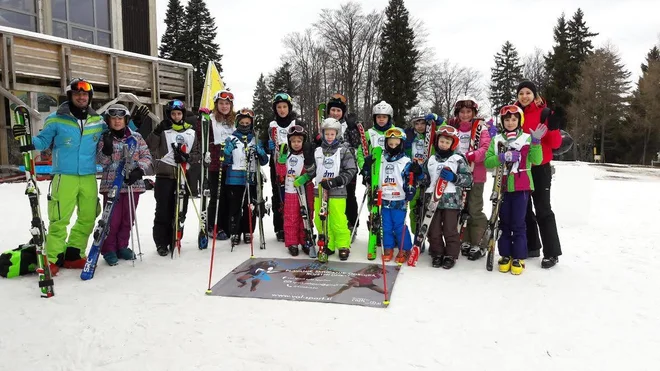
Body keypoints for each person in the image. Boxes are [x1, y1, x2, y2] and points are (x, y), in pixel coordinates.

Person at [12, 78, 105, 272]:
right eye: (77, 93)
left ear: (90, 97)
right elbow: (43, 141)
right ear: (70, 96)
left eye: (85, 94)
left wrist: (134, 123)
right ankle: (52, 258)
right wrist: (27, 138)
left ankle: (74, 254)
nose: (81, 97)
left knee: (88, 216)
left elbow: (118, 132)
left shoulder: (97, 121)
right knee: (60, 218)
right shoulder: (56, 118)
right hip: (65, 176)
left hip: (88, 176)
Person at [484, 105, 544, 275]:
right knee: (503, 222)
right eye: (507, 119)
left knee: (518, 223)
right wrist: (501, 157)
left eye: (514, 119)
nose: (510, 122)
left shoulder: (526, 138)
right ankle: (505, 254)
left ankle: (518, 256)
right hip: (501, 186)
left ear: (519, 120)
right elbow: (488, 162)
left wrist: (536, 142)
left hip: (521, 187)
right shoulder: (496, 140)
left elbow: (537, 160)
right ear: (502, 121)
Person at [515, 80, 564, 268]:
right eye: (521, 93)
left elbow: (556, 144)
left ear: (534, 95)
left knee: (543, 209)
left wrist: (552, 128)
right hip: (521, 167)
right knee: (524, 208)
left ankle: (551, 253)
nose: (524, 96)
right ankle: (532, 245)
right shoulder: (515, 114)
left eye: (528, 93)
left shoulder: (545, 113)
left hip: (540, 167)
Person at [96, 104, 153, 266]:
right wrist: (106, 150)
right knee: (112, 220)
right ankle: (109, 248)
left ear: (126, 120)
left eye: (120, 118)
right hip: (112, 184)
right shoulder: (104, 137)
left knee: (128, 218)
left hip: (132, 184)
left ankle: (122, 245)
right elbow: (101, 162)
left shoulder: (136, 137)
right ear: (108, 120)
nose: (117, 121)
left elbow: (146, 156)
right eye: (113, 118)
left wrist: (139, 171)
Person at [298, 118, 357, 261]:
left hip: (337, 192)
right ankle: (328, 244)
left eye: (332, 134)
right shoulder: (318, 151)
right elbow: (312, 172)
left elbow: (351, 169)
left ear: (337, 134)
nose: (329, 137)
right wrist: (308, 164)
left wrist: (337, 181)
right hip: (320, 191)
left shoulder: (343, 151)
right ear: (322, 134)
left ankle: (343, 245)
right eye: (327, 134)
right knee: (320, 219)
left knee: (338, 219)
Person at [146, 100, 200, 256]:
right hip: (165, 176)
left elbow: (197, 155)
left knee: (180, 211)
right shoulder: (163, 130)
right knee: (163, 211)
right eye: (173, 114)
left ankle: (175, 239)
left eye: (179, 114)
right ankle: (161, 243)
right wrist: (156, 131)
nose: (176, 117)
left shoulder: (191, 132)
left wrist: (187, 157)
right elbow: (149, 146)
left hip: (183, 177)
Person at [363, 127, 418, 264]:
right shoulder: (381, 159)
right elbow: (372, 175)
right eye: (390, 144)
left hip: (399, 198)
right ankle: (388, 247)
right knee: (385, 225)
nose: (393, 147)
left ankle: (404, 248)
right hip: (383, 197)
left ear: (402, 144)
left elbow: (411, 179)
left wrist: (412, 187)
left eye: (396, 144)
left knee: (399, 226)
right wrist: (367, 166)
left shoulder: (405, 161)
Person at [421, 126, 473, 269]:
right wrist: (420, 175)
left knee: (450, 229)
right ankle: (437, 253)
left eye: (447, 142)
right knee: (434, 230)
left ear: (453, 144)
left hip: (451, 201)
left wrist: (454, 177)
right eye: (441, 141)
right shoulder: (431, 159)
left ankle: (451, 254)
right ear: (437, 142)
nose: (443, 144)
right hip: (433, 200)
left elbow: (469, 180)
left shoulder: (458, 159)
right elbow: (425, 179)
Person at [447, 97, 491, 260]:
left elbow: (486, 148)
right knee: (460, 208)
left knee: (474, 208)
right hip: (457, 175)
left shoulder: (480, 127)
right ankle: (465, 239)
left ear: (473, 113)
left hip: (475, 174)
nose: (465, 115)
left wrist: (471, 156)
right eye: (462, 112)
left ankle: (479, 242)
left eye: (468, 112)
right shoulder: (453, 127)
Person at [223, 108, 269, 246]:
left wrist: (261, 153)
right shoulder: (231, 139)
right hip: (234, 179)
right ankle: (235, 231)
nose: (244, 125)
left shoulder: (255, 139)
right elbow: (225, 161)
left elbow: (264, 161)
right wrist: (227, 153)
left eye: (247, 123)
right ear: (237, 123)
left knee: (250, 206)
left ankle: (248, 230)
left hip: (252, 178)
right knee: (235, 207)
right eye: (242, 122)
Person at [198, 89, 235, 240]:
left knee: (228, 197)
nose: (224, 106)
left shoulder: (233, 120)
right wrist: (201, 119)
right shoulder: (211, 118)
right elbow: (200, 134)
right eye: (221, 103)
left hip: (231, 164)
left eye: (227, 103)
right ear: (216, 104)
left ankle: (226, 225)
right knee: (216, 196)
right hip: (215, 163)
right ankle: (213, 225)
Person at [325, 94, 361, 234]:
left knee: (349, 195)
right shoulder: (325, 125)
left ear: (343, 112)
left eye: (338, 111)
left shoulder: (347, 126)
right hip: (330, 166)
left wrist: (353, 128)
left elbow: (357, 143)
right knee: (333, 196)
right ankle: (333, 223)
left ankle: (351, 223)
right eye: (333, 110)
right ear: (329, 111)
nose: (335, 113)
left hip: (348, 167)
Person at [266, 92, 299, 242]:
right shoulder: (272, 125)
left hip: (294, 165)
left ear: (289, 107)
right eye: (279, 107)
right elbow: (264, 145)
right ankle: (280, 227)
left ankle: (296, 225)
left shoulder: (296, 123)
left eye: (284, 106)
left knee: (294, 195)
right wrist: (267, 146)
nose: (282, 110)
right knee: (278, 196)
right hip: (276, 165)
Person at [281, 125, 315, 256]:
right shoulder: (287, 155)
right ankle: (292, 242)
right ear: (289, 142)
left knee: (306, 216)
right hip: (290, 191)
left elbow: (313, 170)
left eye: (299, 141)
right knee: (291, 217)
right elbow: (280, 172)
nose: (296, 144)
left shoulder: (307, 154)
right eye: (293, 141)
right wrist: (280, 161)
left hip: (305, 190)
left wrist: (306, 177)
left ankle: (305, 240)